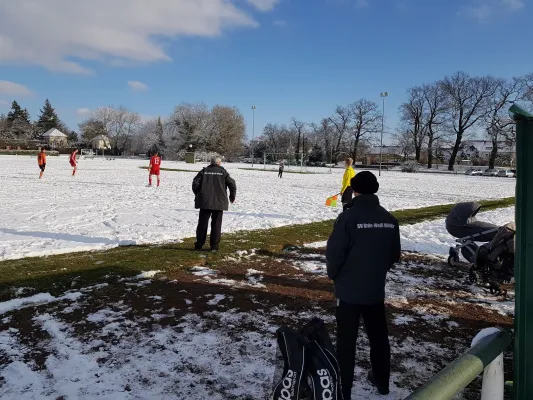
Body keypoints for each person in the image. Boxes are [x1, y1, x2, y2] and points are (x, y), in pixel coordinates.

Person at [325, 171, 401, 399]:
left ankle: (344, 388)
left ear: (355, 190)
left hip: (348, 292)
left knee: (346, 341)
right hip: (375, 290)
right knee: (379, 337)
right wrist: (376, 272)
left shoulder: (348, 218)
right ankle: (382, 381)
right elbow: (394, 254)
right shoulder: (389, 219)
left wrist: (335, 276)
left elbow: (335, 253)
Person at [192, 157, 236, 252]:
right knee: (216, 224)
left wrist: (198, 194)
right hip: (219, 202)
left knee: (202, 224)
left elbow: (195, 183)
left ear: (211, 163)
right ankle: (214, 246)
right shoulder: (223, 172)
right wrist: (232, 196)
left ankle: (199, 244)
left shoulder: (204, 171)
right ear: (219, 163)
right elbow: (232, 184)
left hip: (205, 202)